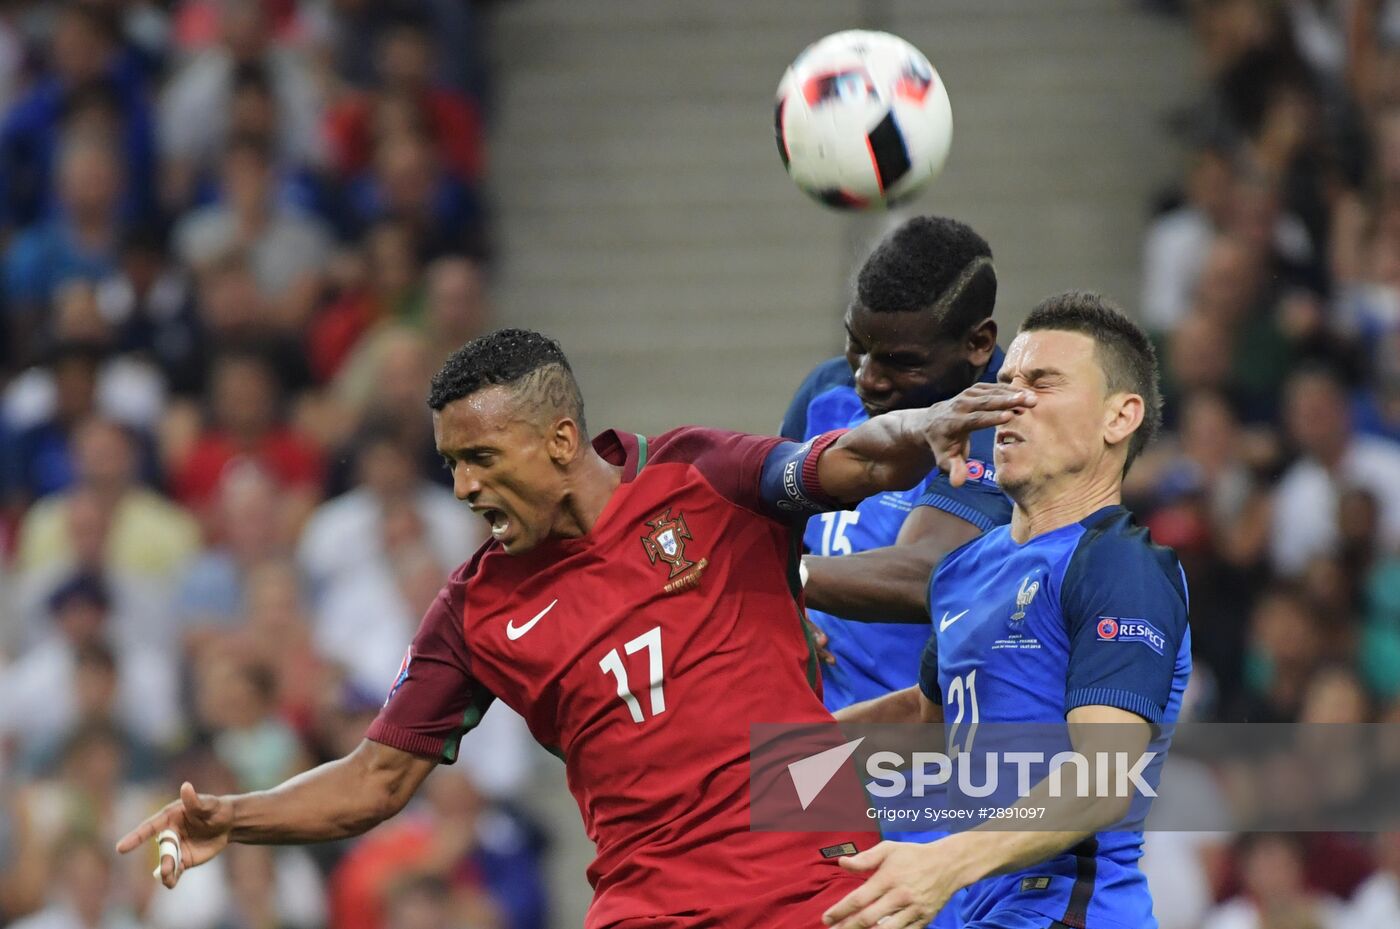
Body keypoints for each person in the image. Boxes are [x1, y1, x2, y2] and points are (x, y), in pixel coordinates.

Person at [116, 327, 1031, 929]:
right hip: (650, 907)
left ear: (559, 441)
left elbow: (852, 459)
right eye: (451, 465)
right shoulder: (477, 609)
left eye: (481, 456)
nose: (465, 487)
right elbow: (375, 778)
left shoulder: (700, 476)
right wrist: (232, 816)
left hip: (817, 887)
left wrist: (928, 422)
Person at [822, 292, 1192, 929]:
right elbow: (925, 720)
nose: (1010, 400)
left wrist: (946, 861)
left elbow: (1104, 779)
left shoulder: (1118, 564)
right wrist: (770, 769)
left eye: (1043, 383)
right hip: (981, 906)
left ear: (1119, 417)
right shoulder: (966, 567)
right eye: (1007, 381)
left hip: (1069, 906)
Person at [781, 215, 1009, 708]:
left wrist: (780, 580)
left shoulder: (1003, 424)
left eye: (901, 362)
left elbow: (927, 572)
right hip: (812, 722)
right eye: (858, 347)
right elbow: (769, 527)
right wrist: (779, 610)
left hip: (927, 749)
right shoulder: (825, 392)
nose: (868, 378)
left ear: (977, 344)